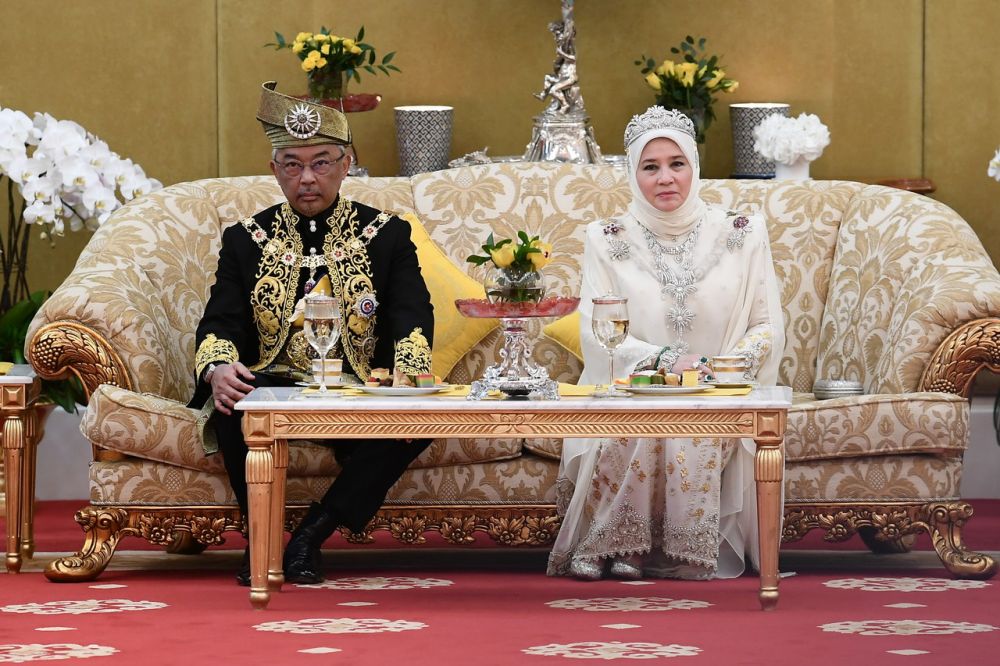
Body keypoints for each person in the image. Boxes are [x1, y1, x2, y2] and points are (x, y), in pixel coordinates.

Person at [189, 81, 434, 586]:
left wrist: (408, 373)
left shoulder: (387, 234)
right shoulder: (245, 239)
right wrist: (218, 367)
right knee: (233, 405)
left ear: (347, 164)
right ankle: (262, 539)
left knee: (416, 421)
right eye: (292, 164)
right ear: (274, 168)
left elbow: (412, 313)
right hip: (273, 386)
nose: (307, 178)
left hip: (357, 388)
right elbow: (221, 320)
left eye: (321, 162)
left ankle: (310, 536)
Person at [547, 106, 784, 581]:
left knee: (687, 418)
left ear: (694, 167)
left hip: (716, 388)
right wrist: (668, 362)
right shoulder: (606, 236)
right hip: (635, 384)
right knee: (643, 415)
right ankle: (623, 543)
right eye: (649, 166)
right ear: (632, 173)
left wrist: (726, 368)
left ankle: (637, 549)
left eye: (677, 163)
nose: (665, 178)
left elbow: (766, 324)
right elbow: (596, 328)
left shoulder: (742, 233)